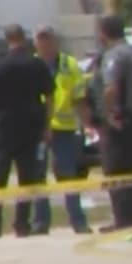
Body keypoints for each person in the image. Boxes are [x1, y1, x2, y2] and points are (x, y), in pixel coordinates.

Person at [0, 24, 55, 238]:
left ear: (7, 39)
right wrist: (47, 125)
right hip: (31, 127)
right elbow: (49, 97)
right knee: (27, 178)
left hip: (3, 127)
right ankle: (22, 224)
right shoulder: (37, 64)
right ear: (24, 37)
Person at [29, 25, 92, 235]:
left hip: (64, 129)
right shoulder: (30, 64)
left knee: (68, 176)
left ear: (55, 41)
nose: (45, 44)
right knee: (38, 177)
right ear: (35, 42)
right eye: (41, 39)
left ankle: (78, 221)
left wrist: (87, 125)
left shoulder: (69, 65)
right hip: (37, 130)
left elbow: (79, 97)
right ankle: (40, 223)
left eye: (48, 39)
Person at [89, 14, 132, 232]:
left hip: (119, 119)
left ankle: (123, 218)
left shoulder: (114, 56)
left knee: (115, 169)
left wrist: (106, 113)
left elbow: (111, 88)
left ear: (103, 33)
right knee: (130, 169)